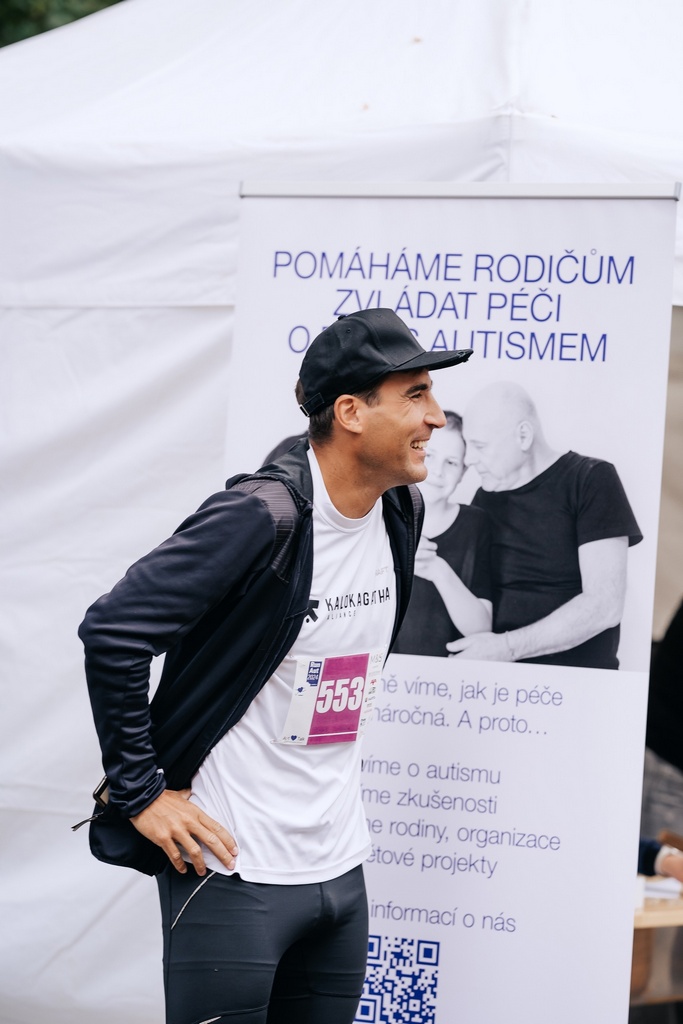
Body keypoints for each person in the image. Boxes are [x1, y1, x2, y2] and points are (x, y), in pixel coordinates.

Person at [78, 308, 471, 1024]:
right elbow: (113, 632)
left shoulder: (399, 511)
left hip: (340, 867)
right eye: (415, 394)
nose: (436, 417)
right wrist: (140, 793)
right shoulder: (261, 515)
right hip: (234, 868)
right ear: (350, 412)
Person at [447, 381, 642, 668]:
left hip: (576, 680)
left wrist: (506, 648)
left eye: (480, 446)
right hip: (495, 680)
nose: (469, 459)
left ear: (523, 436)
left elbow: (605, 604)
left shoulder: (590, 478)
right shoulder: (485, 498)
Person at [393, 411, 492, 657]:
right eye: (429, 456)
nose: (437, 471)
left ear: (463, 472)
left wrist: (437, 569)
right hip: (384, 670)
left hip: (445, 673)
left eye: (451, 463)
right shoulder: (382, 514)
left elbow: (481, 629)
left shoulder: (476, 524)